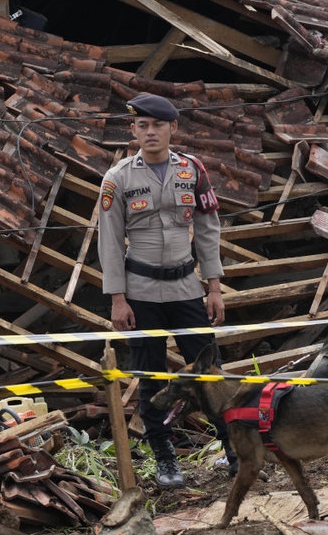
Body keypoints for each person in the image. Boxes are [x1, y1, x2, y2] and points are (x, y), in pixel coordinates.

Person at [97, 93, 236, 488]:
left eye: (157, 125)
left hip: (186, 288)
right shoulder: (118, 178)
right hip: (140, 293)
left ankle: (233, 449)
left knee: (210, 372)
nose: (150, 132)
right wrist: (118, 299)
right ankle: (165, 458)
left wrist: (214, 287)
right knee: (152, 378)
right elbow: (109, 242)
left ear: (172, 128)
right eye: (142, 125)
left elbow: (208, 231)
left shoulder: (193, 170)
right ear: (134, 130)